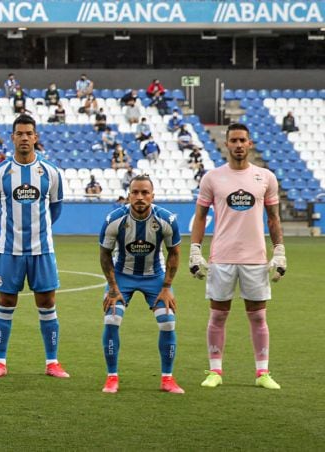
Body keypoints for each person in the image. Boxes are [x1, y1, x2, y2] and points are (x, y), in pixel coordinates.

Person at [189, 123, 285, 390]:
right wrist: (195, 250)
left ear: (250, 144)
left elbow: (274, 218)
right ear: (227, 144)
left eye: (243, 140)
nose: (239, 145)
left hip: (255, 258)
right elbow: (200, 217)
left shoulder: (266, 177)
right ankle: (215, 371)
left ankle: (262, 373)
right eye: (234, 140)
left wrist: (279, 251)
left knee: (258, 317)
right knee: (218, 316)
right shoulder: (212, 178)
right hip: (222, 257)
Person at [0, 114, 69, 380]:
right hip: (9, 250)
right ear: (12, 137)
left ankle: (52, 362)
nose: (24, 138)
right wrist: (9, 228)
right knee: (6, 302)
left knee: (47, 302)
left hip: (42, 249)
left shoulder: (51, 172)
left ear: (35, 137)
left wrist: (39, 229)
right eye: (19, 133)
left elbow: (55, 208)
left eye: (28, 133)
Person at [98, 174, 184, 394]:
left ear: (152, 196)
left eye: (145, 192)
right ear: (128, 195)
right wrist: (113, 288)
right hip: (122, 275)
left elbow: (174, 253)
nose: (139, 197)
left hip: (155, 276)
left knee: (168, 323)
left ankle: (167, 379)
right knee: (112, 318)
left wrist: (166, 288)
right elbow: (105, 254)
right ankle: (112, 377)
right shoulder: (114, 219)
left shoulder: (166, 219)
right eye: (135, 192)